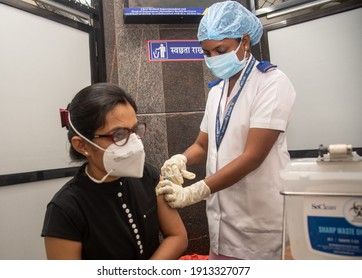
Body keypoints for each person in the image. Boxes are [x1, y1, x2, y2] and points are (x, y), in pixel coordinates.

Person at [156, 1, 296, 260]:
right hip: (222, 223)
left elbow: (252, 157)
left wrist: (194, 192)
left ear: (244, 42)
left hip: (261, 225)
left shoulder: (271, 83)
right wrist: (181, 158)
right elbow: (202, 145)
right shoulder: (218, 91)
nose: (213, 59)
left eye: (220, 50)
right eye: (207, 52)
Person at [41, 83, 188, 260]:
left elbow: (177, 236)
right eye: (118, 135)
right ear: (82, 145)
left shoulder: (147, 174)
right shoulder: (66, 208)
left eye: (134, 130)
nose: (134, 143)